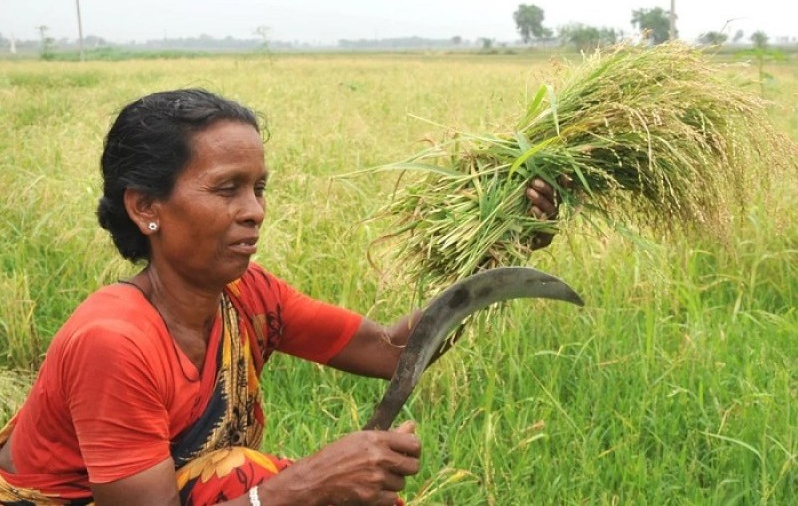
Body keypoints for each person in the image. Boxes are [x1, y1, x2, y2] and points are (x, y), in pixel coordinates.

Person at [0, 89, 561, 506]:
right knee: (250, 474)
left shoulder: (246, 296)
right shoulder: (114, 342)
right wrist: (303, 485)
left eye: (258, 188)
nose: (255, 211)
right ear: (146, 207)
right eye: (227, 189)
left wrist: (495, 246)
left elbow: (391, 349)